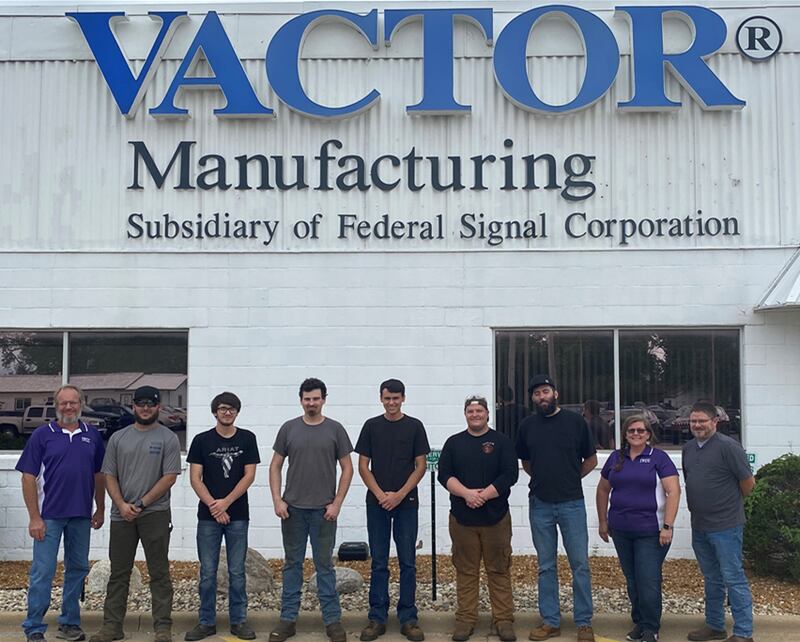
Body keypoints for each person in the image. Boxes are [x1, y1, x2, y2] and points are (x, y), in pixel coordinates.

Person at [90, 386, 182, 642]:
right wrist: (120, 504)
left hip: (155, 514)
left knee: (159, 572)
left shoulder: (168, 438)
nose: (145, 408)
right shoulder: (118, 438)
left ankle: (162, 628)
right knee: (119, 573)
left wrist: (141, 503)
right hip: (121, 516)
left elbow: (170, 477)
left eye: (150, 404)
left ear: (158, 407)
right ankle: (111, 627)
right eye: (140, 403)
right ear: (133, 407)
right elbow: (109, 475)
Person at [16, 385, 106, 642]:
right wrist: (34, 517)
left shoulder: (92, 435)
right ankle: (34, 627)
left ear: (81, 404)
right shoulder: (43, 435)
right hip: (49, 517)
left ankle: (69, 623)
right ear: (56, 406)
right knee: (42, 571)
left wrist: (99, 508)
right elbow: (28, 478)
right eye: (63, 403)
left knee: (77, 569)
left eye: (73, 402)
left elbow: (99, 475)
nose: (68, 407)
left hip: (81, 515)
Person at [269, 378, 354, 642]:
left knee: (324, 566)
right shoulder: (288, 429)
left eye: (316, 398)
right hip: (292, 510)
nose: (311, 403)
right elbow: (275, 466)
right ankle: (287, 620)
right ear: (301, 400)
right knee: (292, 565)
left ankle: (332, 622)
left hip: (323, 512)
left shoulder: (335, 430)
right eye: (307, 399)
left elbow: (348, 468)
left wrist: (337, 503)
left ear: (324, 399)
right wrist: (277, 500)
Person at [516, 375, 597, 642]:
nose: (542, 397)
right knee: (546, 566)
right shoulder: (527, 426)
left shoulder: (576, 423)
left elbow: (591, 459)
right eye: (537, 393)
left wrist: (571, 479)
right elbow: (526, 462)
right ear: (532, 398)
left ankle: (584, 622)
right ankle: (550, 621)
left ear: (556, 393)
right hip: (540, 504)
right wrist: (543, 478)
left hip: (572, 503)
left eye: (546, 391)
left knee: (580, 564)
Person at [437, 395, 519, 642]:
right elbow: (445, 475)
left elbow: (510, 475)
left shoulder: (502, 442)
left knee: (499, 569)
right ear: (465, 414)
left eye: (479, 410)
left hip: (496, 518)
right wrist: (468, 495)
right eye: (470, 411)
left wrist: (484, 496)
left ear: (487, 414)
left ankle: (503, 620)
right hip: (462, 519)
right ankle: (465, 620)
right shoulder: (453, 443)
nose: (475, 414)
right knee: (466, 571)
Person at [355, 379, 429, 642]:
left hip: (406, 504)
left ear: (403, 398)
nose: (392, 403)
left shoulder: (415, 427)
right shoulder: (371, 426)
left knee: (408, 561)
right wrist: (380, 495)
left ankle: (408, 618)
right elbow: (363, 465)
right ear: (381, 398)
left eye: (396, 398)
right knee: (379, 561)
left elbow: (420, 466)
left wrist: (399, 495)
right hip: (377, 504)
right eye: (387, 398)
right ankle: (377, 617)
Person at [596, 415, 680, 642]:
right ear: (624, 434)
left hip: (651, 531)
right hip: (621, 530)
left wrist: (667, 526)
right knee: (632, 578)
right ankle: (640, 623)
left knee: (648, 579)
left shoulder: (658, 458)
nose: (636, 434)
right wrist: (603, 521)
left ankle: (651, 628)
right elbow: (603, 490)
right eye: (631, 430)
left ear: (649, 434)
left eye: (641, 431)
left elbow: (673, 491)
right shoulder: (616, 457)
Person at [185, 392, 261, 641]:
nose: (227, 413)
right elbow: (195, 478)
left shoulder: (247, 439)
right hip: (207, 518)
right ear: (215, 411)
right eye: (222, 408)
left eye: (231, 409)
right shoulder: (201, 441)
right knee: (207, 572)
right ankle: (206, 622)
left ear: (237, 412)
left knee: (237, 572)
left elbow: (249, 476)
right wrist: (213, 506)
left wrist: (226, 503)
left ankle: (238, 621)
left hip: (238, 515)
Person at [682, 401, 755, 642]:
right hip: (700, 525)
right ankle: (715, 625)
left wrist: (728, 507)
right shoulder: (689, 448)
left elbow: (747, 483)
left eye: (702, 420)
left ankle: (744, 632)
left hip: (726, 526)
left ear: (715, 421)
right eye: (694, 421)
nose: (697, 425)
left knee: (733, 577)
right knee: (712, 577)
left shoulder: (729, 447)